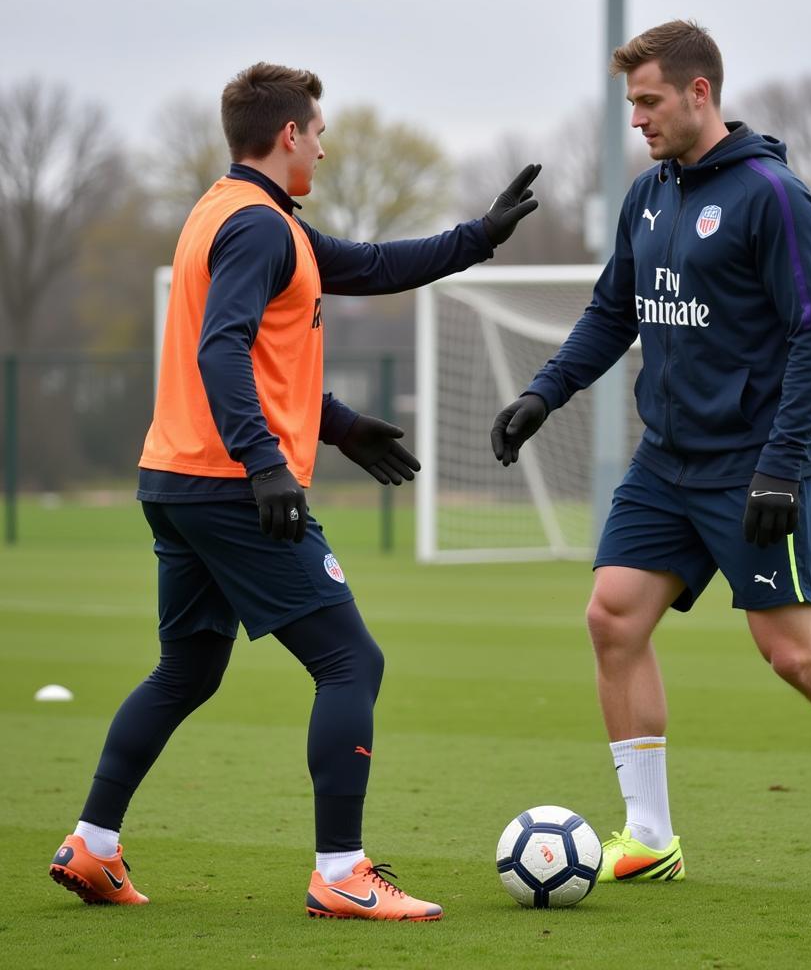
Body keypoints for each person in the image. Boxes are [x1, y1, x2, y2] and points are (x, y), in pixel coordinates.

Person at [49, 62, 541, 921]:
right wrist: (265, 463)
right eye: (318, 129)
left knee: (188, 669)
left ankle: (92, 847)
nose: (324, 142)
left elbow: (374, 266)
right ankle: (342, 873)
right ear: (288, 135)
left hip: (176, 478)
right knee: (352, 661)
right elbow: (222, 349)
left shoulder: (236, 212)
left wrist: (477, 239)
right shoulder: (259, 229)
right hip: (228, 484)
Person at [490, 20, 811, 894]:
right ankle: (651, 834)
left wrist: (782, 464)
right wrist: (543, 394)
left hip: (753, 463)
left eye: (650, 101)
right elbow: (610, 313)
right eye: (631, 104)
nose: (638, 119)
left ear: (701, 93)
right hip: (666, 462)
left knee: (792, 653)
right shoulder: (647, 197)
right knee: (612, 616)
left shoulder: (774, 197)